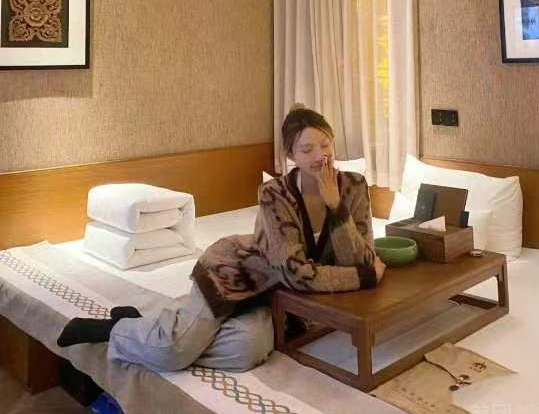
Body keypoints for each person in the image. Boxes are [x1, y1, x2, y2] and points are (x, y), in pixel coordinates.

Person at [57, 104, 385, 372]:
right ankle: (117, 329)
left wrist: (336, 207)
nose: (319, 156)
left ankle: (157, 329)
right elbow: (298, 273)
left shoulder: (353, 187)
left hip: (275, 294)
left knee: (247, 350)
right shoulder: (274, 194)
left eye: (325, 145)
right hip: (232, 272)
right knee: (174, 353)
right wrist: (365, 276)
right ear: (291, 155)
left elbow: (359, 257)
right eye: (307, 149)